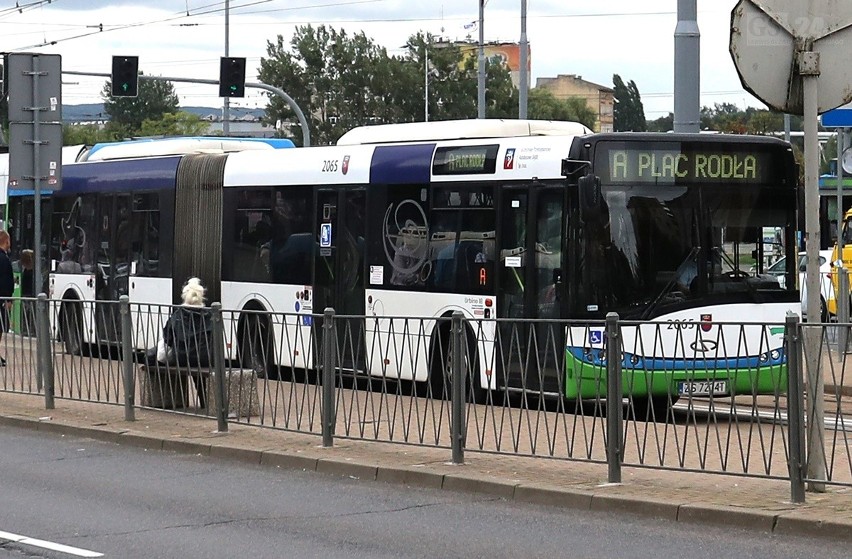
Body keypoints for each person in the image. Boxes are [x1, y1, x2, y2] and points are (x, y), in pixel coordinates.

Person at [148, 277, 214, 408]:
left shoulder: (178, 316)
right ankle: (204, 401)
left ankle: (170, 399)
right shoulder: (210, 316)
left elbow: (168, 339)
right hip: (206, 359)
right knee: (198, 364)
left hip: (181, 358)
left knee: (154, 355)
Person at [0, 231, 13, 365]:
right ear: (6, 241)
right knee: (1, 326)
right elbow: (5, 281)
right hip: (1, 300)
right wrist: (8, 299)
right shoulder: (4, 259)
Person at [19, 249, 35, 337]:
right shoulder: (28, 271)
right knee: (27, 313)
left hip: (28, 295)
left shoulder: (29, 271)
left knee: (28, 313)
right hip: (27, 295)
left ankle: (28, 329)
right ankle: (27, 329)